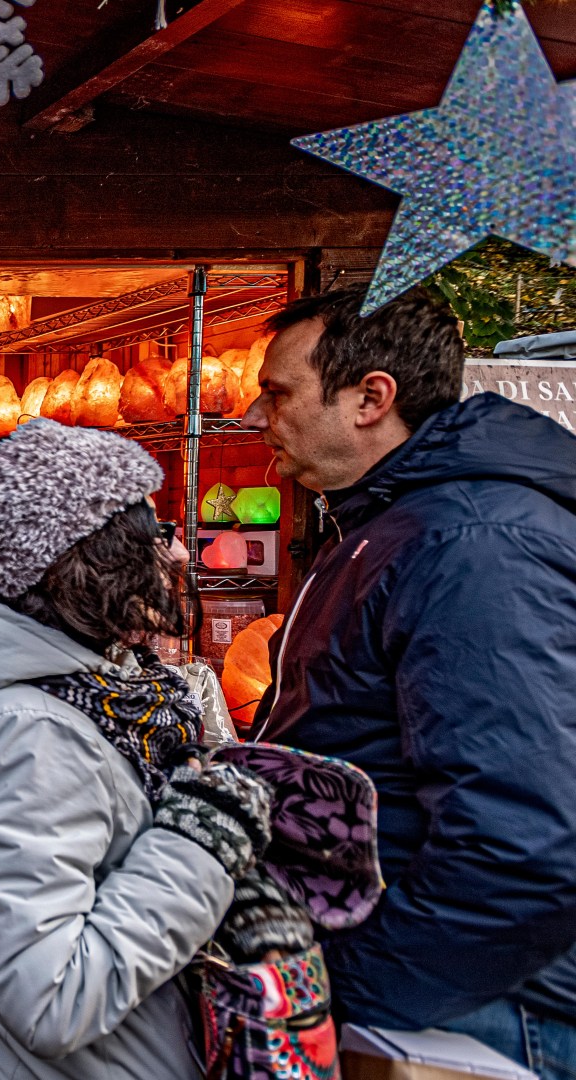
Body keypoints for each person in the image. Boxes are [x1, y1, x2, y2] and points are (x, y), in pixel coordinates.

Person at [243, 284, 576, 1074]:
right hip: (441, 992)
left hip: (477, 1010)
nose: (261, 417)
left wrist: (353, 987)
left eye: (279, 392)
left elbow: (526, 842)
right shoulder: (394, 522)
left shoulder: (472, 542)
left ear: (370, 398)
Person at [0, 419, 280, 1080]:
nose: (180, 557)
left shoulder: (85, 700)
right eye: (152, 535)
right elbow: (51, 1000)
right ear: (83, 560)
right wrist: (202, 839)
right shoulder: (31, 733)